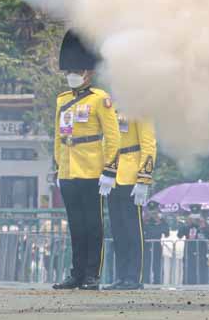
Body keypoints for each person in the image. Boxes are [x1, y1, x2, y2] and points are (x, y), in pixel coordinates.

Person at [52, 30, 121, 290]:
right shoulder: (62, 100)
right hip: (69, 171)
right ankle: (76, 273)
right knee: (76, 226)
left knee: (93, 225)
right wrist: (59, 168)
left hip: (93, 171)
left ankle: (92, 274)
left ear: (88, 73)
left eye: (77, 69)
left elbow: (113, 138)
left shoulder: (100, 99)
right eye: (69, 69)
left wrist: (109, 170)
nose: (72, 74)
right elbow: (58, 137)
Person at [104, 115, 157, 290]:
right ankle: (121, 276)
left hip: (131, 175)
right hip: (112, 176)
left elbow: (148, 145)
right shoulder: (112, 109)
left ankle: (134, 277)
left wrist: (144, 177)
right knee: (118, 230)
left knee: (133, 229)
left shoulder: (139, 109)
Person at [178, 208, 209, 284]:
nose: (195, 220)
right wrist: (187, 223)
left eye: (197, 217)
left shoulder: (204, 225)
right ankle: (187, 287)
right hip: (189, 252)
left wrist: (203, 225)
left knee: (202, 271)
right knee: (188, 271)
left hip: (201, 253)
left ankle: (202, 286)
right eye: (193, 217)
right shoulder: (187, 226)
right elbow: (179, 235)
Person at [143, 205, 169, 284]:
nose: (152, 215)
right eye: (151, 212)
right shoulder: (144, 220)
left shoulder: (161, 221)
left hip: (157, 245)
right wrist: (144, 220)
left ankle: (158, 283)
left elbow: (166, 233)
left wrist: (159, 222)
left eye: (154, 213)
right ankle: (145, 282)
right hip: (146, 246)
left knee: (157, 265)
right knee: (146, 265)